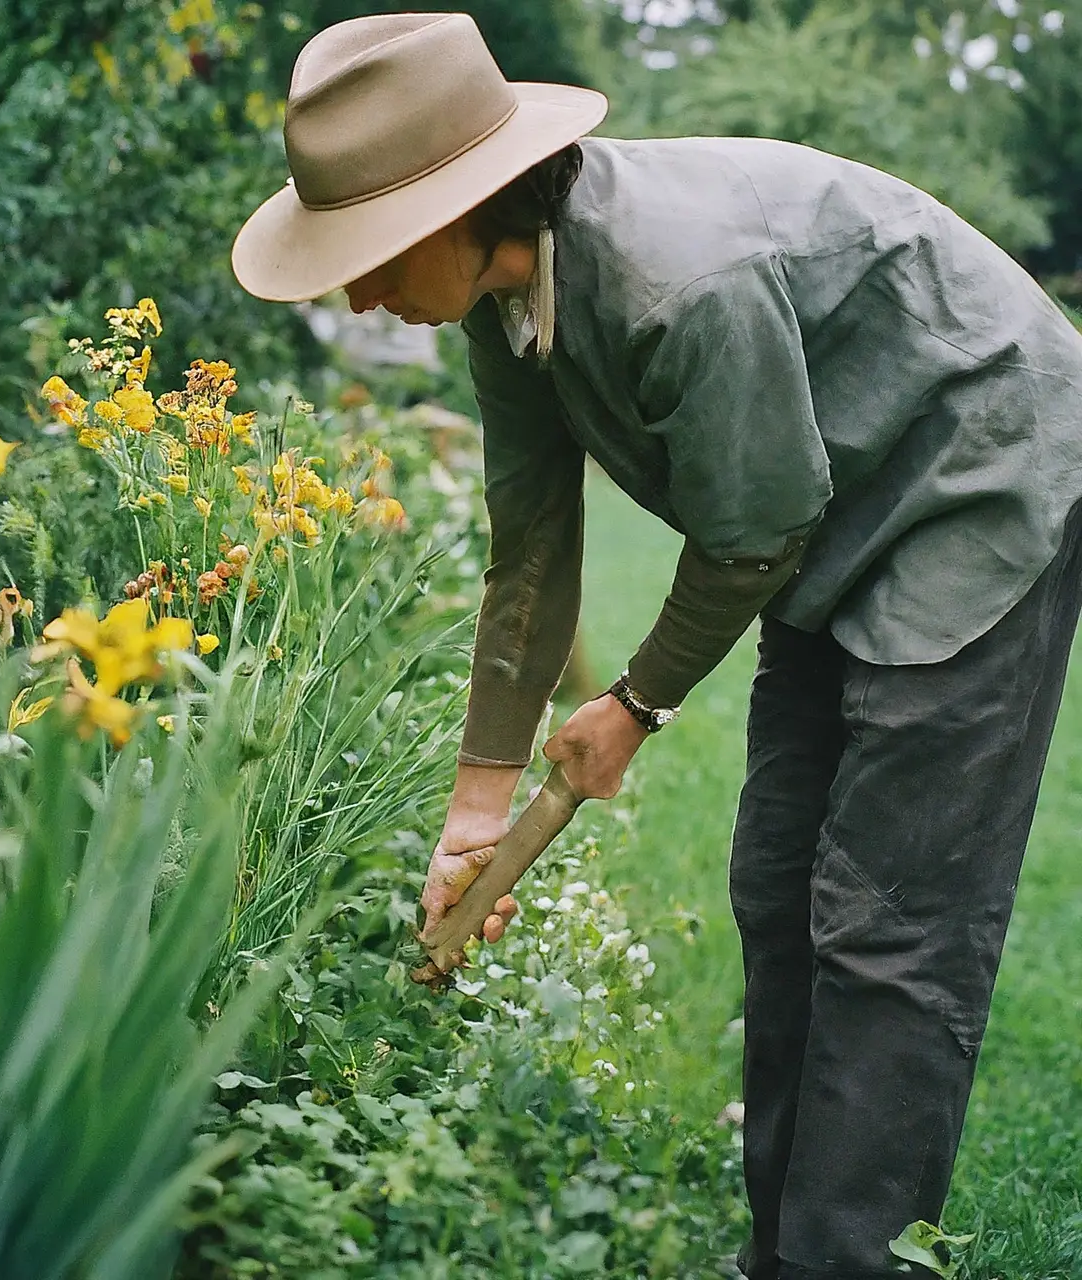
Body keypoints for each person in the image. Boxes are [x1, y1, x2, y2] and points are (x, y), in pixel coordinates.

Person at [232, 12, 1082, 1279]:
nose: (358, 292)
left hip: (973, 481)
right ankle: (781, 1248)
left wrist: (628, 704)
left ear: (467, 206)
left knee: (887, 925)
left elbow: (755, 529)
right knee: (775, 881)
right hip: (823, 520)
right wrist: (476, 808)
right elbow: (527, 544)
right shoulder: (503, 296)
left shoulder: (681, 281)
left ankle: (842, 1259)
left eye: (370, 256)